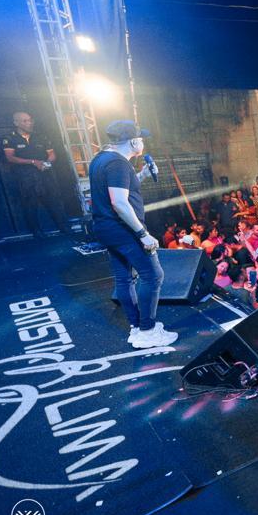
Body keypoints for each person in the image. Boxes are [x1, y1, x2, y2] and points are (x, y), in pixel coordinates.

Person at [88, 120, 176, 348]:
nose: (143, 143)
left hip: (106, 229)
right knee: (153, 276)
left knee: (124, 277)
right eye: (142, 139)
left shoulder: (101, 158)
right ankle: (147, 331)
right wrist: (142, 233)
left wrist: (143, 174)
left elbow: (119, 188)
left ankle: (137, 328)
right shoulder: (118, 164)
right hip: (123, 230)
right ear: (134, 141)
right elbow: (119, 203)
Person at [0, 111, 70, 238]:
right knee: (30, 205)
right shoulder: (9, 138)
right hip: (25, 177)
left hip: (45, 174)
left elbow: (52, 154)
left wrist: (47, 163)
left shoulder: (41, 136)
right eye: (25, 121)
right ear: (16, 123)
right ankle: (36, 231)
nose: (29, 123)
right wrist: (33, 162)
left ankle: (63, 227)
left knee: (54, 201)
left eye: (30, 120)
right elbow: (10, 157)